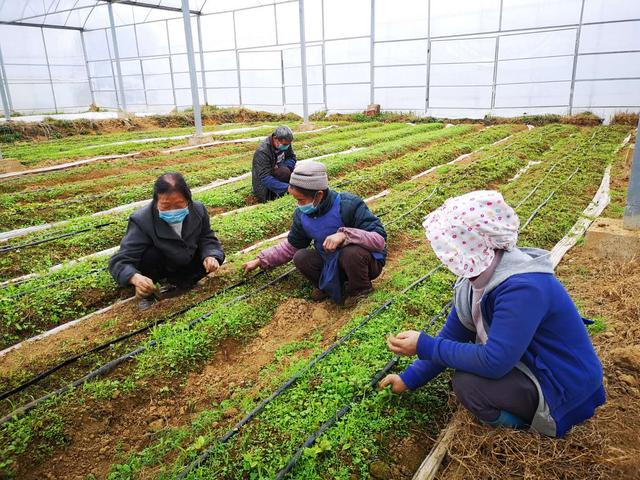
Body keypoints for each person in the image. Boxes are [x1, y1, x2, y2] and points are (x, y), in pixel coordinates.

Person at [379, 190, 605, 438]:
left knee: (468, 384)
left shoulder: (523, 288)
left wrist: (424, 344)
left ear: (465, 245)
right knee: (464, 367)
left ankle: (527, 429)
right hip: (531, 364)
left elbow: (494, 362)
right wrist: (408, 379)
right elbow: (452, 336)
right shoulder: (473, 282)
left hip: (565, 387)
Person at [243, 161, 387, 304]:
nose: (299, 205)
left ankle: (360, 291)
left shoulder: (348, 205)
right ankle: (330, 287)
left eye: (301, 200)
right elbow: (291, 247)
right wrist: (261, 260)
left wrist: (345, 235)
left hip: (363, 263)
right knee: (301, 257)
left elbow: (379, 240)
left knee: (350, 253)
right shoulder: (302, 216)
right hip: (330, 261)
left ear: (318, 195)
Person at [109, 172, 225, 310]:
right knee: (150, 255)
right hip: (162, 268)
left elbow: (207, 237)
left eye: (179, 204)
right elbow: (121, 260)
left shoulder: (198, 210)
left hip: (188, 263)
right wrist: (134, 278)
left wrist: (211, 255)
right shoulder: (142, 220)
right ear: (156, 201)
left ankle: (187, 282)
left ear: (188, 200)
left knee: (209, 255)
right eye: (166, 206)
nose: (173, 211)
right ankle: (151, 293)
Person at [252, 125, 297, 203]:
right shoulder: (262, 152)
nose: (286, 146)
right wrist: (288, 188)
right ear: (275, 138)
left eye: (288, 144)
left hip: (279, 173)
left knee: (286, 171)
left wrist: (284, 167)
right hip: (264, 184)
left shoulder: (286, 143)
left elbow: (292, 157)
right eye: (284, 144)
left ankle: (286, 189)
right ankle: (278, 194)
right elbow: (265, 178)